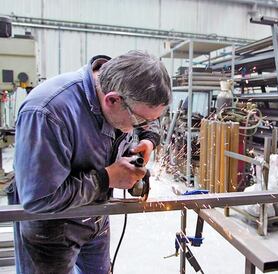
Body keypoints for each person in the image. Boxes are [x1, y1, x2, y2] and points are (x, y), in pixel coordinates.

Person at [7, 51, 172, 274]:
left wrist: (148, 140)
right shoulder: (47, 112)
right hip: (52, 229)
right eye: (139, 121)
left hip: (95, 218)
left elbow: (147, 118)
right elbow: (39, 199)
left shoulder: (127, 89)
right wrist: (108, 178)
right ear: (112, 99)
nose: (141, 125)